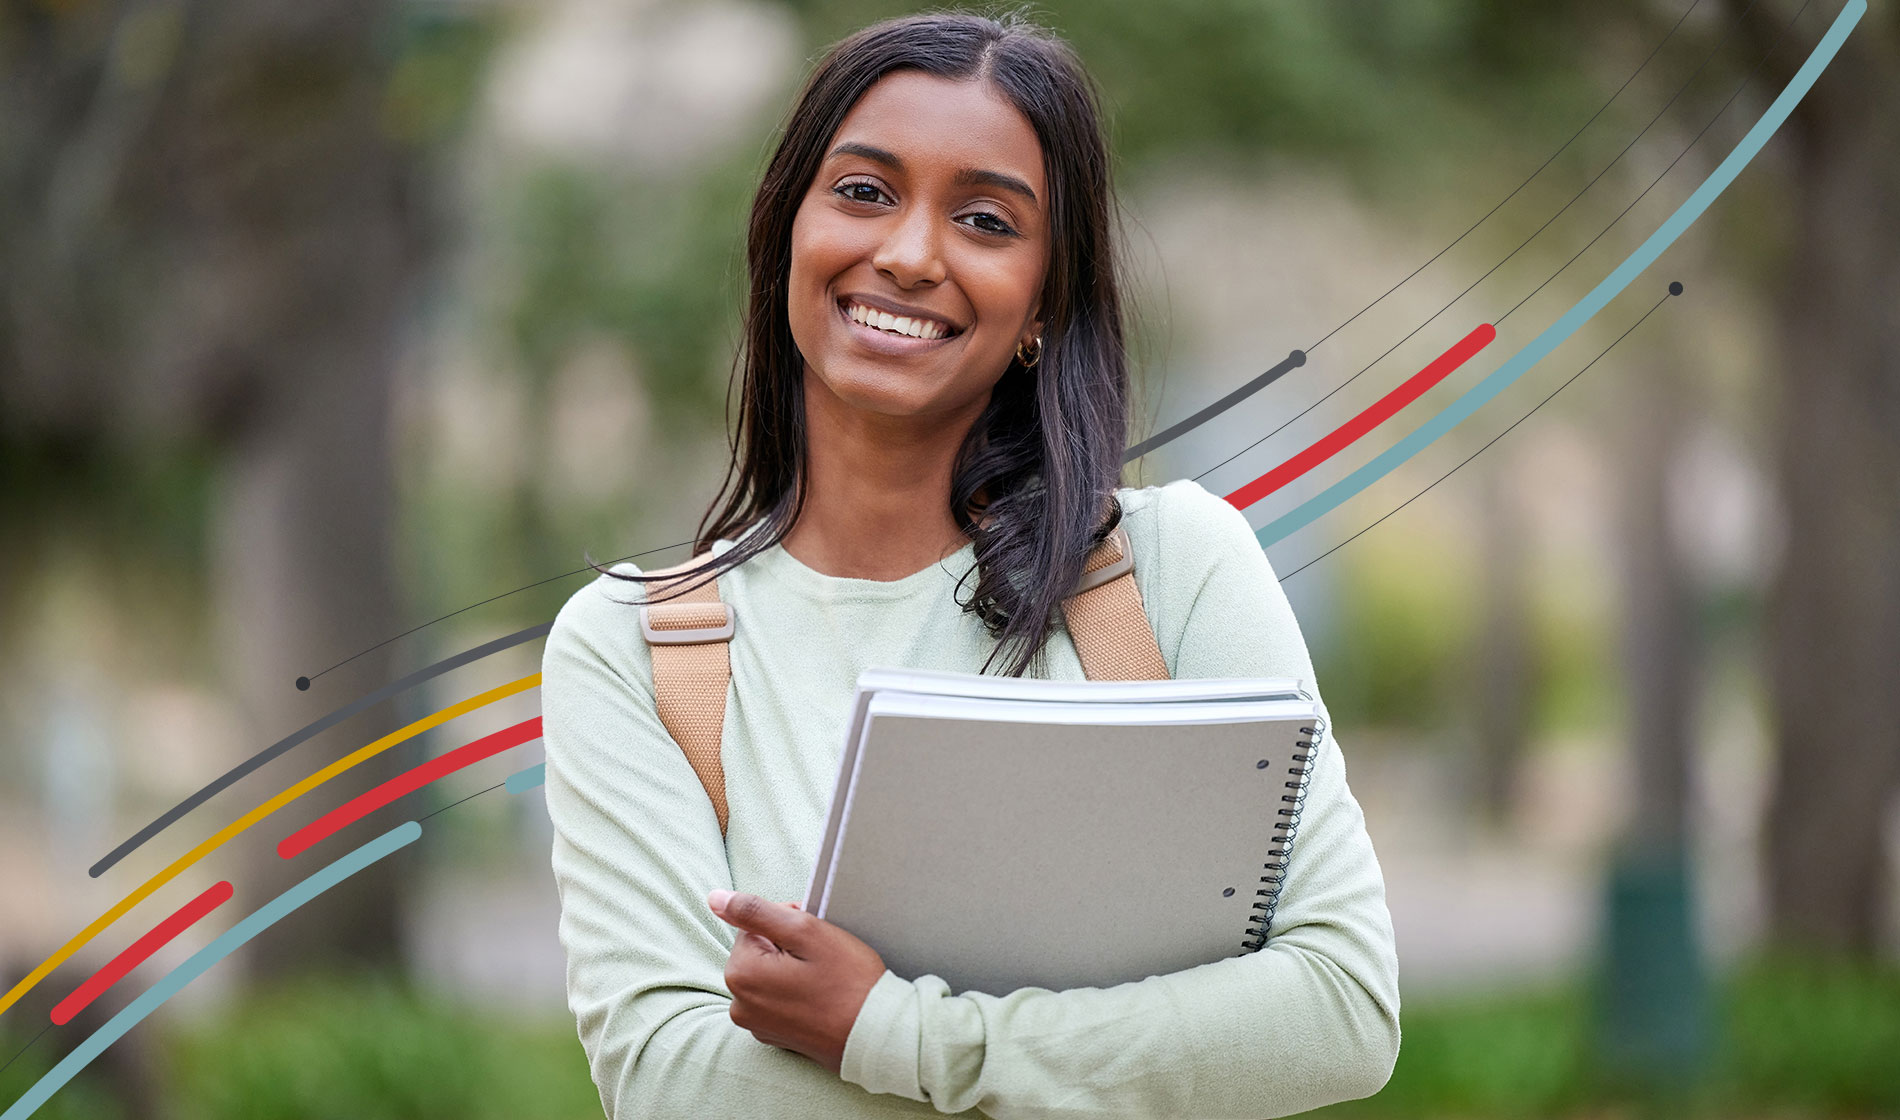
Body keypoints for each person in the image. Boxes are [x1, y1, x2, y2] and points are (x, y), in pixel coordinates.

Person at [540, 10, 1400, 1118]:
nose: (908, 253)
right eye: (862, 191)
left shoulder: (1172, 568)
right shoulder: (635, 652)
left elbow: (1335, 1011)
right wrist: (1134, 1057)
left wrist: (889, 1032)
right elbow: (675, 1081)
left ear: (1043, 299)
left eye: (985, 220)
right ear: (784, 233)